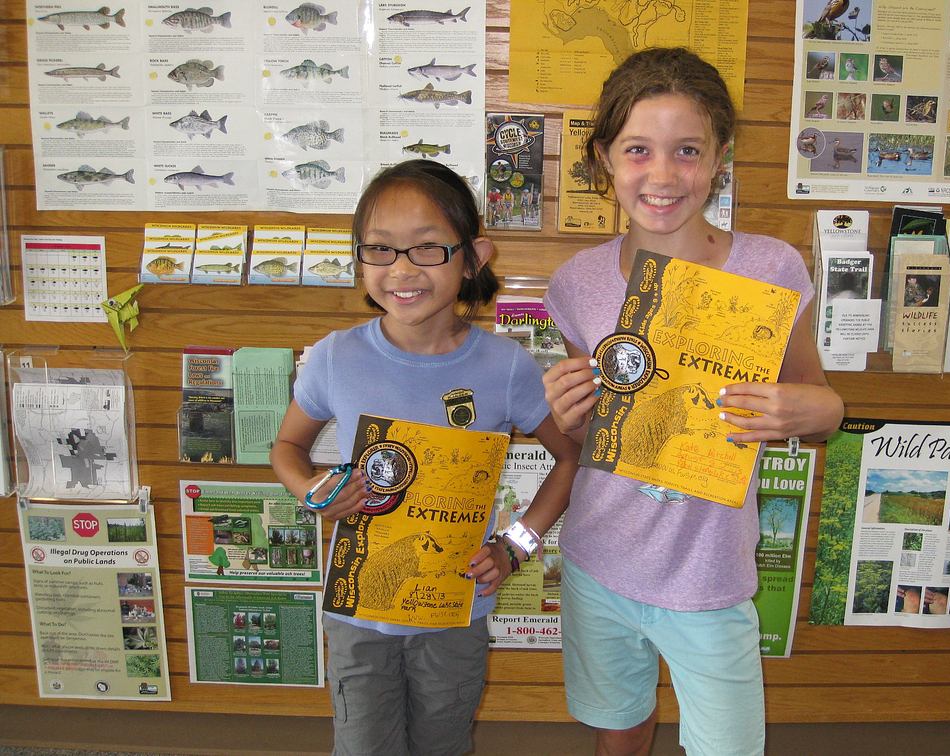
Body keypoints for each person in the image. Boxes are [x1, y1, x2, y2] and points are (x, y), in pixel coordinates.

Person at [540, 48, 844, 756]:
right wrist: (567, 414)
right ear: (604, 159)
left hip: (709, 570)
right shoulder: (577, 283)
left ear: (719, 160)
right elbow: (585, 445)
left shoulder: (770, 268)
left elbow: (826, 405)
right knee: (620, 722)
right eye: (638, 149)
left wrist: (799, 412)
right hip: (599, 559)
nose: (663, 174)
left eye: (687, 150)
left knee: (727, 745)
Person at [270, 159, 578, 756]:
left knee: (443, 745)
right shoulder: (336, 356)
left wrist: (518, 544)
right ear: (359, 259)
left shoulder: (504, 364)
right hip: (359, 612)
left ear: (473, 257)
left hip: (454, 608)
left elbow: (570, 460)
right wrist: (309, 489)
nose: (402, 270)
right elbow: (287, 448)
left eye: (428, 248)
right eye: (380, 250)